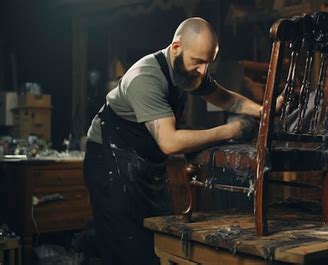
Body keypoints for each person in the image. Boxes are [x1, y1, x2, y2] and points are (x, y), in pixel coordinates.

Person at [83, 17, 270, 265]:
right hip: (110, 164)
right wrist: (231, 130)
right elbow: (169, 143)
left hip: (142, 166)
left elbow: (226, 99)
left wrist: (264, 110)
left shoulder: (187, 71)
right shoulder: (145, 78)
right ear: (176, 48)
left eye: (209, 62)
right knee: (129, 252)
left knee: (157, 243)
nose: (204, 71)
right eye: (199, 62)